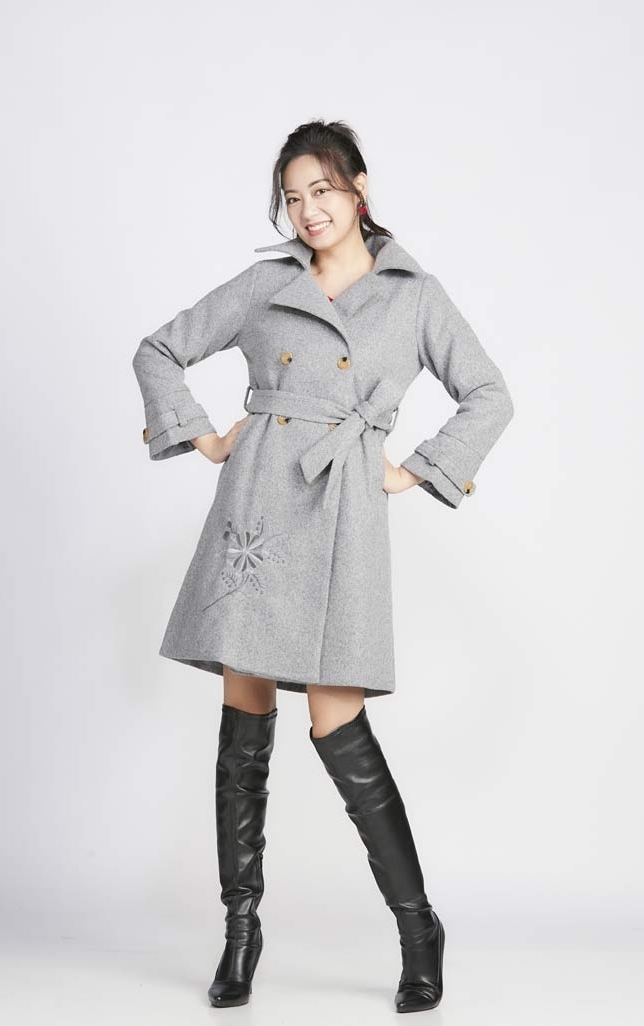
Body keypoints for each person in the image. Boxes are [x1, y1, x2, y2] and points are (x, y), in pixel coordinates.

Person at [132, 119, 514, 1013]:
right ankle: (241, 931)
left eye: (324, 191)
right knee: (245, 723)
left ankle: (418, 929)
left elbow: (489, 394)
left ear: (359, 188)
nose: (309, 210)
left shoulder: (413, 294)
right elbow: (159, 349)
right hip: (257, 513)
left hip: (343, 516)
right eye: (294, 197)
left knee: (337, 724)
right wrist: (204, 437)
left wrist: (416, 469)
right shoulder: (268, 284)